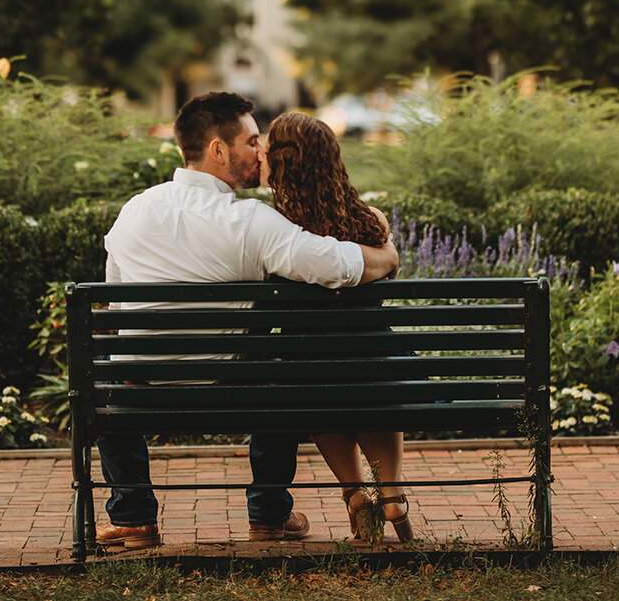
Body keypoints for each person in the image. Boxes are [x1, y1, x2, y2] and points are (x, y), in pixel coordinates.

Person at [96, 91, 399, 549]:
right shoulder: (250, 221)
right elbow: (339, 266)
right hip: (230, 384)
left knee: (115, 372)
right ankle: (268, 514)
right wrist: (387, 254)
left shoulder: (133, 211)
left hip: (143, 387)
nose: (262, 152)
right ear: (219, 150)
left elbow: (118, 307)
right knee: (276, 370)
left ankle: (135, 516)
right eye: (253, 141)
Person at [261, 110, 414, 544]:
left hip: (310, 369)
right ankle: (393, 494)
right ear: (333, 159)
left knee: (315, 374)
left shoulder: (278, 230)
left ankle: (353, 493)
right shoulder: (373, 221)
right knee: (365, 369)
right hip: (374, 365)